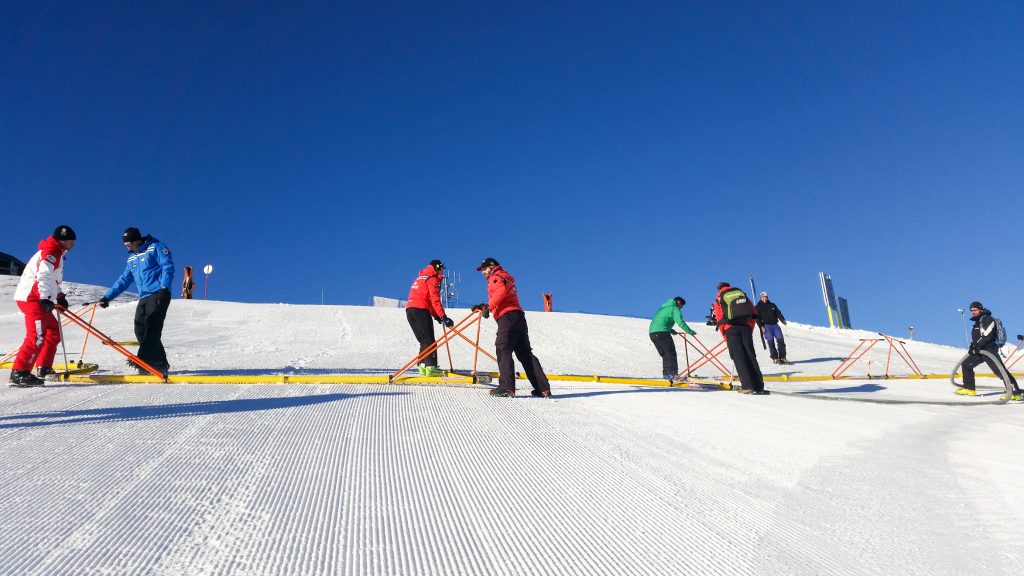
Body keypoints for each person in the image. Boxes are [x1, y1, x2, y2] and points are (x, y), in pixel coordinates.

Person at [99, 227, 175, 375]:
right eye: (125, 245)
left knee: (153, 326)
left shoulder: (155, 247)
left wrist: (164, 288)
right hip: (144, 297)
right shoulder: (132, 258)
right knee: (140, 329)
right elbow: (124, 280)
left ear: (136, 240)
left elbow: (167, 266)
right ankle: (160, 362)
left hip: (158, 293)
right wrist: (108, 297)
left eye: (129, 244)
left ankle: (144, 360)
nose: (127, 248)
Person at [9, 226, 76, 387]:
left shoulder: (55, 252)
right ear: (64, 240)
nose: (73, 245)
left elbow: (52, 280)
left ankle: (44, 367)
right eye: (72, 242)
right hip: (33, 299)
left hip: (38, 297)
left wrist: (59, 296)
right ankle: (19, 372)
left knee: (53, 333)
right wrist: (46, 298)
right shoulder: (51, 252)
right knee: (37, 336)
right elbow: (43, 275)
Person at [475, 258, 551, 398]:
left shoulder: (495, 276)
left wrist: (489, 308)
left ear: (492, 267)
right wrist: (484, 307)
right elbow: (502, 295)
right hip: (518, 317)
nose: (483, 272)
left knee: (503, 347)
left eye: (484, 269)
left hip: (508, 317)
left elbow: (500, 292)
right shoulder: (505, 277)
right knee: (525, 354)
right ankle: (542, 388)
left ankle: (506, 387)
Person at [957, 301, 1021, 400]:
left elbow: (987, 335)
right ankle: (969, 388)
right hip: (979, 350)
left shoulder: (987, 318)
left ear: (980, 309)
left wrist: (977, 345)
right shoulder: (977, 321)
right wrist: (972, 346)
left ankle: (1015, 392)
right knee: (966, 364)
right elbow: (977, 337)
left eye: (975, 310)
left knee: (999, 371)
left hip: (989, 349)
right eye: (971, 310)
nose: (973, 312)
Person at [712, 282, 767, 395]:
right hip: (746, 327)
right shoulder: (741, 294)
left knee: (738, 357)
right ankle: (759, 386)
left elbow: (719, 318)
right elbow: (752, 312)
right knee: (751, 355)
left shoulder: (719, 297)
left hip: (731, 329)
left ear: (719, 288)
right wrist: (749, 328)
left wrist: (725, 335)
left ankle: (747, 386)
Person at [406, 259, 454, 377]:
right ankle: (431, 368)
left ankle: (422, 366)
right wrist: (443, 317)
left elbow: (429, 301)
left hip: (410, 310)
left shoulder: (421, 277)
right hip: (421, 309)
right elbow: (435, 300)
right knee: (430, 341)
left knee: (424, 340)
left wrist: (437, 316)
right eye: (442, 269)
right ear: (437, 269)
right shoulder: (432, 279)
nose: (443, 272)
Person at [649, 297, 697, 380]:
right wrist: (690, 331)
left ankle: (667, 374)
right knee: (670, 352)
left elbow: (661, 321)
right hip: (662, 332)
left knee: (665, 354)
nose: (680, 308)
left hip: (653, 333)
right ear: (678, 303)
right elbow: (680, 322)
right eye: (681, 306)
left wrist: (671, 330)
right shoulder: (674, 308)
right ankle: (673, 374)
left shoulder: (663, 308)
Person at [755, 292, 789, 364]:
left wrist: (783, 320)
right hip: (766, 326)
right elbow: (757, 318)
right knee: (771, 342)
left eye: (766, 297)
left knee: (781, 341)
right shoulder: (758, 306)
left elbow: (778, 313)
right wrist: (761, 326)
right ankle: (775, 358)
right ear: (760, 298)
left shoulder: (772, 305)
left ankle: (782, 357)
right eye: (763, 297)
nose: (765, 298)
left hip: (775, 325)